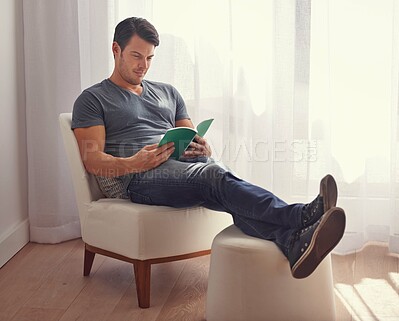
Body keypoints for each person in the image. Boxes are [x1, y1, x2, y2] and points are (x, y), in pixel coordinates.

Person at [72, 17, 346, 279]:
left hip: (181, 167)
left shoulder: (168, 92)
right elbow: (92, 159)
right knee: (215, 177)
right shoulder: (93, 99)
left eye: (150, 58)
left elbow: (190, 136)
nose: (144, 65)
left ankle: (292, 244)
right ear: (116, 49)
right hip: (138, 178)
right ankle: (300, 215)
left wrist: (202, 148)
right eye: (136, 56)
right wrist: (135, 162)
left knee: (218, 176)